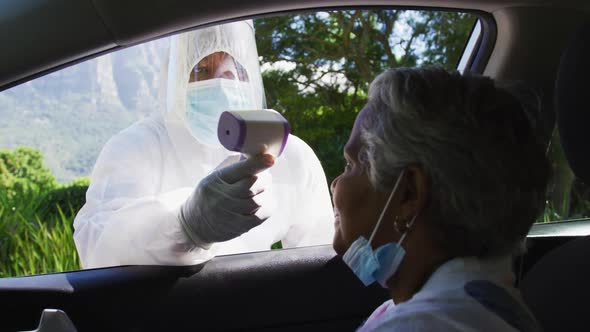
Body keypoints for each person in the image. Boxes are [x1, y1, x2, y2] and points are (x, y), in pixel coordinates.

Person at [73, 20, 334, 268]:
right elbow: (97, 250)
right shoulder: (135, 148)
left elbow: (321, 260)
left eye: (236, 71)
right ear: (174, 77)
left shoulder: (289, 155)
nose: (222, 84)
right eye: (202, 70)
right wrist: (186, 224)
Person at [331, 67, 549, 331]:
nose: (335, 184)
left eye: (349, 165)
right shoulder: (473, 307)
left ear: (408, 194)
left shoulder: (421, 325)